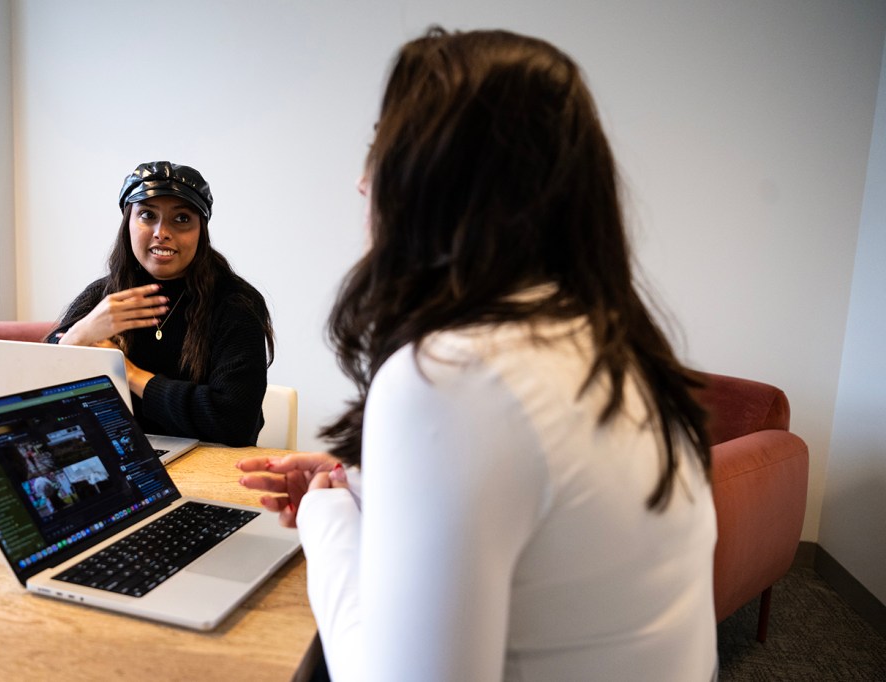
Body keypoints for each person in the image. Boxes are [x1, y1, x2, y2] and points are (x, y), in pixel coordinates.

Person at [238, 27, 718, 681]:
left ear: (438, 180)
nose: (360, 181)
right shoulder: (608, 346)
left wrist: (326, 519)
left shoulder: (455, 375)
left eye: (382, 146)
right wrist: (362, 484)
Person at [46, 161, 274, 446]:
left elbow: (233, 423)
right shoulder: (102, 297)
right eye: (147, 215)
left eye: (181, 219)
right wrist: (79, 335)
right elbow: (31, 397)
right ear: (127, 223)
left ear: (201, 230)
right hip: (120, 459)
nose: (161, 232)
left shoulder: (237, 304)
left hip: (212, 464)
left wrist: (128, 372)